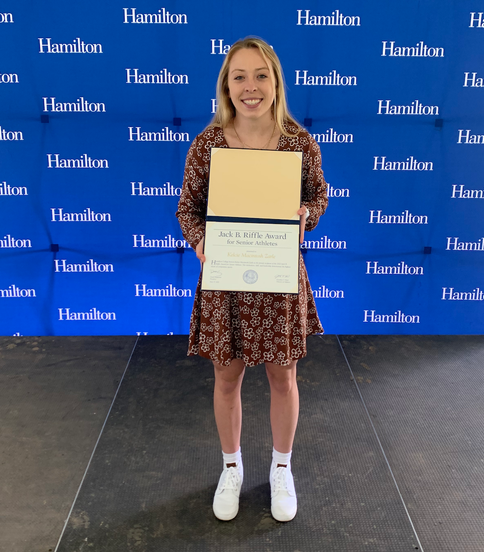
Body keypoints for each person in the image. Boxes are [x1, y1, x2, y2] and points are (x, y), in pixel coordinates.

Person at [176, 36, 328, 522]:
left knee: (284, 376)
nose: (251, 87)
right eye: (239, 76)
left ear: (276, 82)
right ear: (226, 86)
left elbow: (318, 198)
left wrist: (305, 215)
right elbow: (187, 210)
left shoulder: (299, 142)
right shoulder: (207, 145)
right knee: (227, 377)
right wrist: (201, 241)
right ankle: (232, 467)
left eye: (261, 75)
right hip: (226, 282)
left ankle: (281, 467)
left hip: (278, 278)